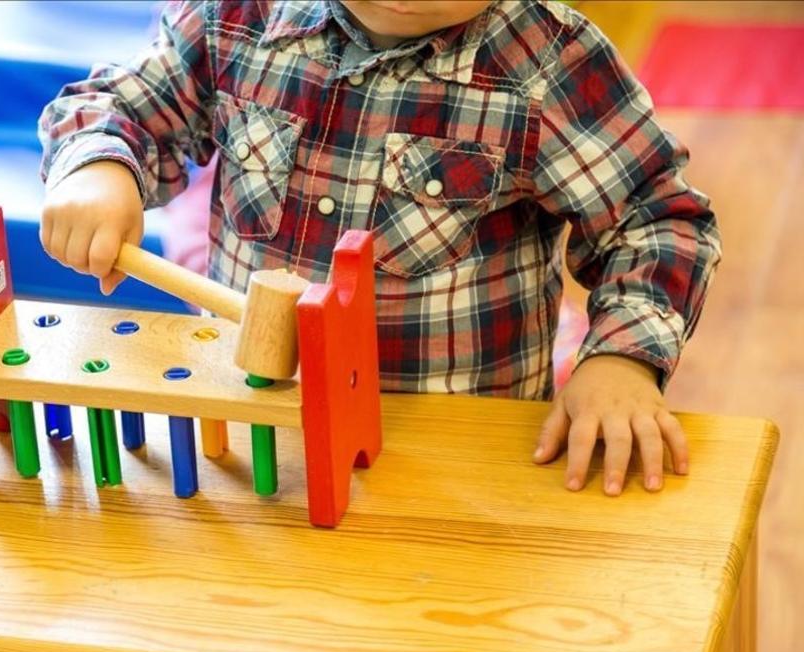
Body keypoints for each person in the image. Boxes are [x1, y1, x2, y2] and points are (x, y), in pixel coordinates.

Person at [37, 1, 721, 496]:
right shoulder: (232, 18)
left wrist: (623, 360)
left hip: (451, 466)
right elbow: (120, 106)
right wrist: (99, 166)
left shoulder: (547, 59)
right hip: (250, 446)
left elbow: (656, 217)